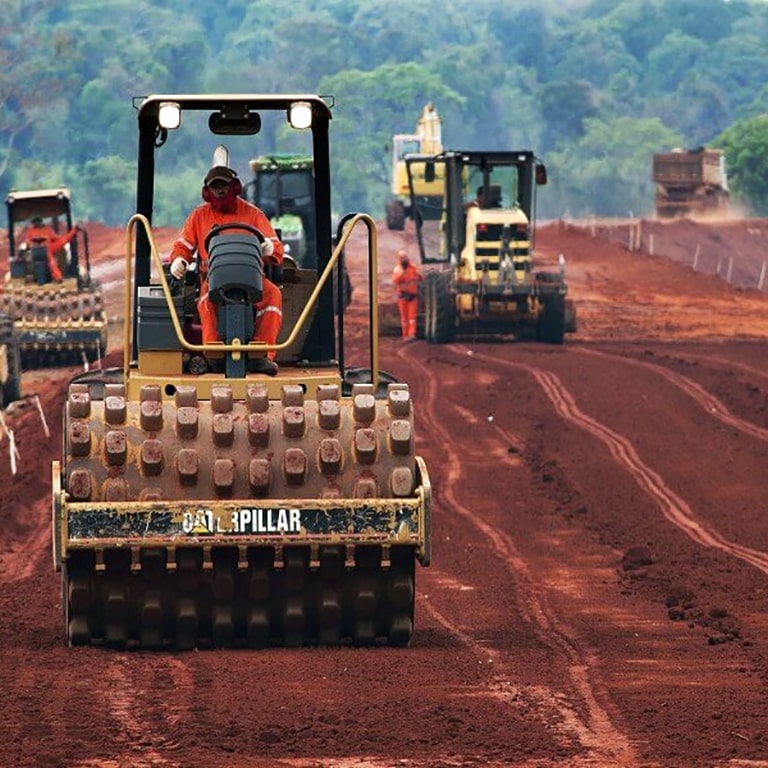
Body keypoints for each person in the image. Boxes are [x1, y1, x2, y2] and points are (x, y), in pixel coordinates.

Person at [169, 163, 284, 375]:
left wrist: (268, 247)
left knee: (273, 295)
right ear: (207, 191)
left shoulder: (253, 214)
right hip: (213, 279)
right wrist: (179, 260)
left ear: (235, 187)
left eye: (224, 185)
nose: (220, 190)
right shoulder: (199, 216)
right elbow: (182, 246)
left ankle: (262, 356)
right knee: (205, 299)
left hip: (252, 278)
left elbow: (276, 249)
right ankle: (215, 355)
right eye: (215, 186)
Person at [20, 216, 78, 282]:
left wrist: (58, 238)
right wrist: (33, 244)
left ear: (40, 222)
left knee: (63, 241)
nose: (37, 223)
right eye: (35, 222)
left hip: (48, 247)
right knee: (50, 259)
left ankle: (75, 230)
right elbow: (27, 241)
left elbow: (55, 237)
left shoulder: (47, 229)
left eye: (38, 221)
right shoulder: (30, 231)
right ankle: (57, 276)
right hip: (36, 250)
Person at [392, 248, 423, 342]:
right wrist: (403, 273)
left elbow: (420, 277)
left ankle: (412, 334)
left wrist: (418, 275)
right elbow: (395, 281)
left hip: (412, 295)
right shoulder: (397, 270)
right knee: (404, 318)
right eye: (402, 257)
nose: (404, 259)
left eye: (405, 257)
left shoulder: (413, 268)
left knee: (412, 317)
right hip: (402, 296)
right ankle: (405, 335)